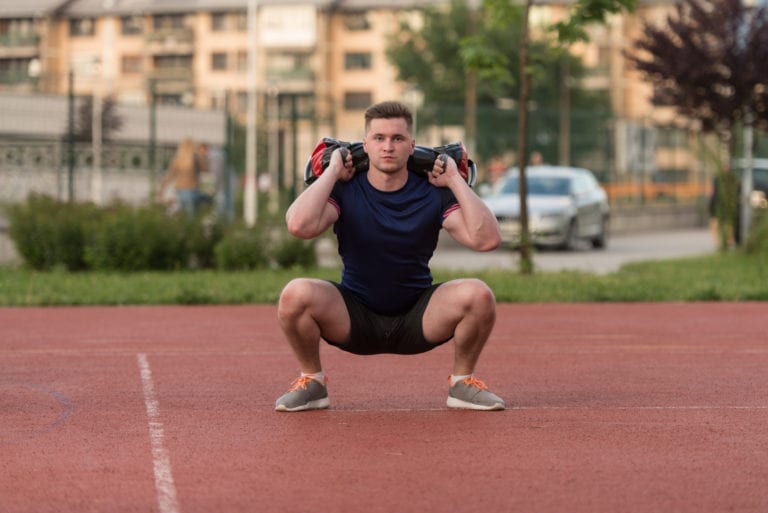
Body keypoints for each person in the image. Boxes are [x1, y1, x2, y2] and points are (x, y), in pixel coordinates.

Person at [275, 100, 505, 412]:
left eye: (397, 139)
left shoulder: (432, 191)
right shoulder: (345, 189)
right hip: (354, 316)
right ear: (364, 144)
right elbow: (298, 226)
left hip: (418, 317)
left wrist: (454, 180)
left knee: (479, 295)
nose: (388, 147)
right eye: (379, 138)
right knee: (295, 294)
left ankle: (462, 383)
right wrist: (331, 172)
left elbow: (487, 239)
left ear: (412, 146)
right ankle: (312, 383)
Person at [158, 137, 205, 216]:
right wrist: (201, 155)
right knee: (191, 216)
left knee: (182, 216)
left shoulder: (177, 160)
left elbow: (168, 177)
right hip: (193, 190)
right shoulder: (195, 159)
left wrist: (161, 192)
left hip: (180, 191)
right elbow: (205, 168)